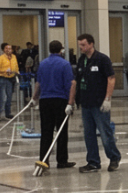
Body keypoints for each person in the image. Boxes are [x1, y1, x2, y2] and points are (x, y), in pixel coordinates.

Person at [75, 33, 120, 172]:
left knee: (105, 134)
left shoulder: (102, 59)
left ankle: (114, 158)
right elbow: (77, 81)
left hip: (100, 104)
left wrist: (108, 98)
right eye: (79, 45)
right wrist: (73, 102)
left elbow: (111, 78)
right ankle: (93, 162)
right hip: (86, 104)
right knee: (89, 135)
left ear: (91, 44)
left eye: (83, 45)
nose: (81, 47)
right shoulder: (82, 60)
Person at [32, 40, 76, 171]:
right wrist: (71, 103)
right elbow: (71, 84)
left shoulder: (43, 63)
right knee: (61, 132)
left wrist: (34, 98)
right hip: (60, 100)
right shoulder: (65, 64)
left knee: (46, 132)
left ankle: (44, 160)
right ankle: (62, 161)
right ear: (61, 50)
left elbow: (38, 83)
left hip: (45, 101)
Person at [0, 42, 19, 121]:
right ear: (3, 50)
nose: (8, 50)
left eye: (10, 48)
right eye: (6, 48)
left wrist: (16, 71)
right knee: (2, 97)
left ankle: (8, 113)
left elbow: (16, 66)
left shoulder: (14, 57)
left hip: (11, 78)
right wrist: (5, 71)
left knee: (9, 97)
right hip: (3, 78)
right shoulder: (1, 58)